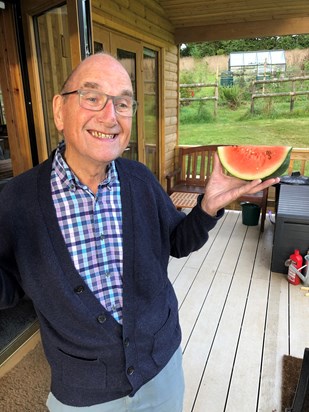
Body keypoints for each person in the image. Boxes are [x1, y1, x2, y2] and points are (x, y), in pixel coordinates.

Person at [0, 52, 279, 411]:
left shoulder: (140, 181)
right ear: (59, 110)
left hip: (160, 369)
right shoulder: (17, 201)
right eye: (92, 97)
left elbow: (177, 242)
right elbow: (9, 289)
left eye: (123, 102)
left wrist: (207, 208)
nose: (110, 115)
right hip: (83, 392)